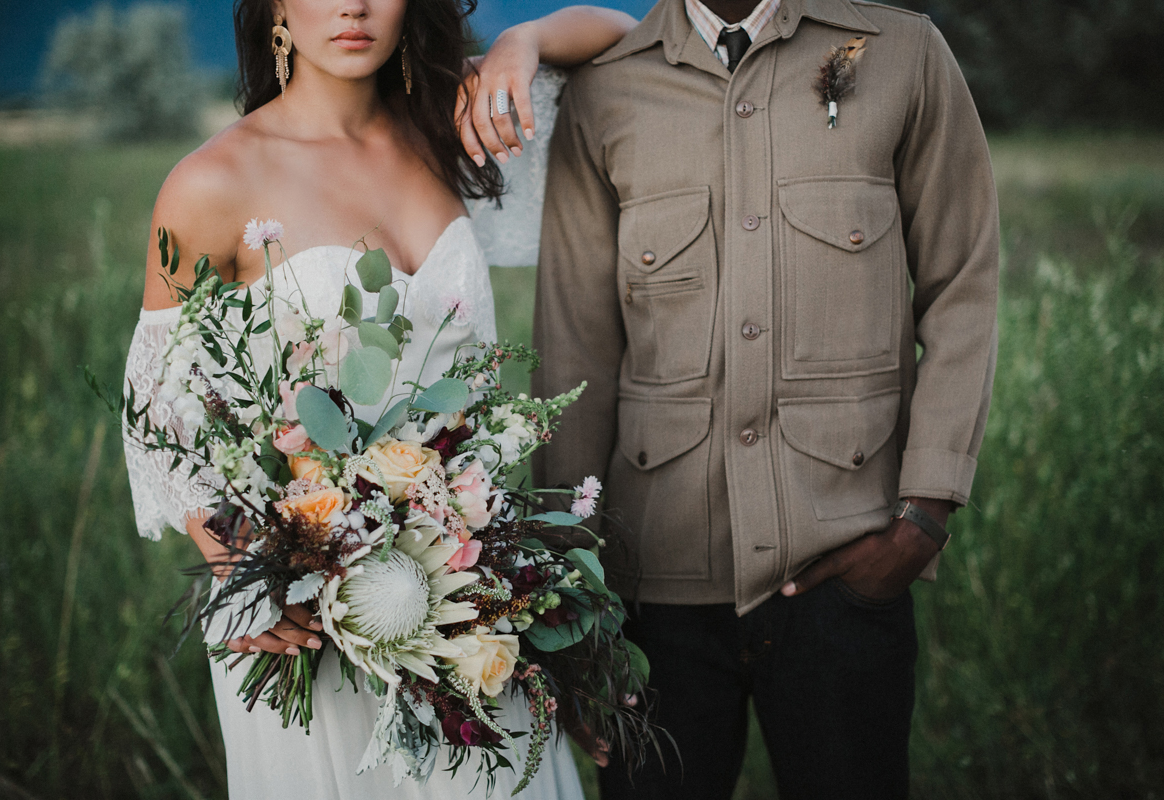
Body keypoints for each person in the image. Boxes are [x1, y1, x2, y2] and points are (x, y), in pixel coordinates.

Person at [121, 2, 635, 797]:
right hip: (310, 613)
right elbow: (160, 410)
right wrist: (238, 573)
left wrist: (519, 42)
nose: (353, 6)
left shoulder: (449, 129)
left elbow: (623, 38)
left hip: (474, 601)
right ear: (278, 10)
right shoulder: (212, 182)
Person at [531, 0, 1000, 798]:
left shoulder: (905, 54)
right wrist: (571, 596)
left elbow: (963, 284)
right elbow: (575, 352)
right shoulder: (606, 90)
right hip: (656, 587)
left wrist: (925, 514)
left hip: (847, 564)